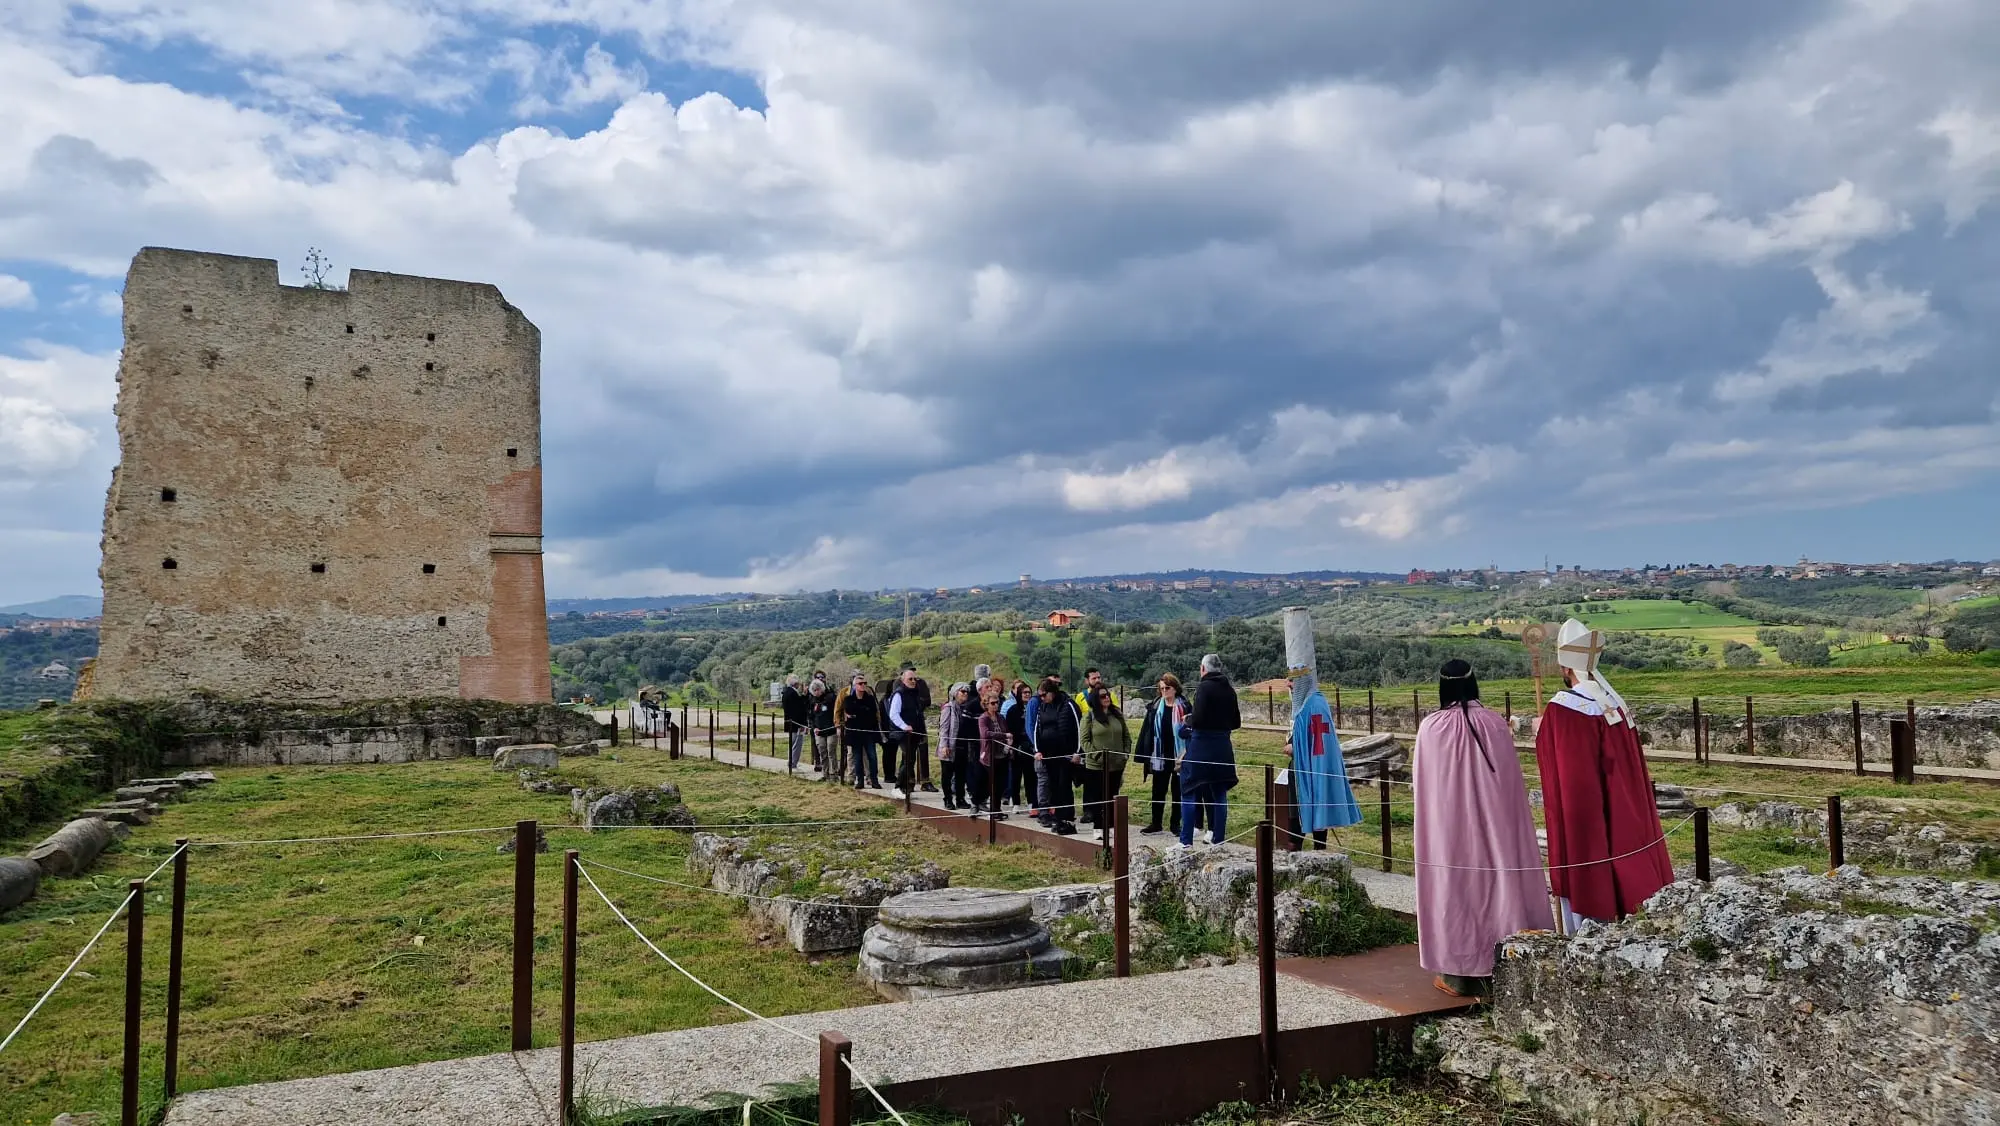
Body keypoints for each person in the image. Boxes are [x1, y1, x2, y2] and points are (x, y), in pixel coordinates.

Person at [1414, 659, 1552, 997]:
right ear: (1474, 683)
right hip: (1497, 831)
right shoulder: (1494, 724)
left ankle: (1457, 975)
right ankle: (1511, 964)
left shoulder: (1431, 728)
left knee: (1457, 887)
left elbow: (1423, 787)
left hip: (1450, 832)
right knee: (1502, 882)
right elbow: (1510, 787)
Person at [1536, 619, 1675, 930]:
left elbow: (1569, 775)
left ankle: (1587, 925)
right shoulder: (1614, 704)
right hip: (1626, 811)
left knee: (1589, 857)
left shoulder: (1565, 710)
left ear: (1565, 668)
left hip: (1587, 818)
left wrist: (1541, 730)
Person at [1281, 607, 1361, 846]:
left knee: (1315, 808)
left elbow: (1318, 741)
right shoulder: (1305, 705)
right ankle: (1296, 850)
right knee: (1297, 809)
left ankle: (1316, 852)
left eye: (1293, 681)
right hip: (1304, 766)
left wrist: (1295, 749)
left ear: (1302, 682)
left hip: (1314, 766)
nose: (1290, 685)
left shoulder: (1314, 706)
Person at [1176, 653, 1239, 848]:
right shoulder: (1230, 690)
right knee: (1219, 793)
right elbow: (1236, 722)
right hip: (1223, 747)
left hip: (1202, 745)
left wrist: (1189, 720)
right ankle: (1218, 840)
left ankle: (1185, 841)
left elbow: (1200, 718)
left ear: (1203, 669)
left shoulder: (1204, 687)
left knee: (1188, 790)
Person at [1134, 673, 1188, 835]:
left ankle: (1175, 824)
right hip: (1159, 754)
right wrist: (1144, 753)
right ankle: (1156, 823)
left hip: (1179, 754)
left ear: (1175, 688)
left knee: (1178, 790)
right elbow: (1147, 731)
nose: (1164, 691)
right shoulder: (1155, 707)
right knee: (1158, 789)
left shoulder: (1185, 706)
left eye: (1167, 688)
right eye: (1161, 688)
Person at [1033, 676, 1082, 834]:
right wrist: (1037, 750)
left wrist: (1078, 751)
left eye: (1043, 694)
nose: (1041, 698)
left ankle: (1067, 820)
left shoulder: (1068, 705)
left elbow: (1078, 728)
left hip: (1066, 754)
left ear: (1052, 692)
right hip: (1048, 755)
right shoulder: (1043, 707)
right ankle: (1059, 818)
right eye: (1039, 695)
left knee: (1064, 786)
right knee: (1053, 787)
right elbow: (1037, 729)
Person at [1080, 686, 1130, 831]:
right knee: (1097, 797)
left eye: (1107, 695)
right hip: (1096, 766)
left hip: (1117, 764)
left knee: (1113, 795)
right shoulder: (1089, 717)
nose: (1107, 698)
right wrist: (1097, 756)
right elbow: (1084, 741)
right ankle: (1098, 827)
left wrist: (1125, 753)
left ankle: (1111, 825)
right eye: (1102, 696)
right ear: (1095, 699)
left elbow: (1126, 736)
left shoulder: (1117, 715)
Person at [887, 664, 933, 798]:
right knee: (908, 759)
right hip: (903, 733)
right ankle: (897, 787)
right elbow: (893, 714)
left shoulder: (914, 693)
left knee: (909, 760)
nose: (913, 681)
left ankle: (903, 787)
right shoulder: (899, 694)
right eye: (910, 679)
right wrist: (904, 726)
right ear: (903, 680)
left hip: (914, 733)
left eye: (914, 679)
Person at [835, 673, 881, 789]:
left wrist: (858, 713)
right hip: (854, 733)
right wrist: (862, 711)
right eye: (860, 683)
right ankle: (859, 780)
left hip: (868, 732)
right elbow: (848, 710)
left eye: (865, 683)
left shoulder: (869, 698)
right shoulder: (848, 698)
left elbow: (872, 713)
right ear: (855, 685)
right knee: (857, 757)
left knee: (872, 756)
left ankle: (874, 779)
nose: (863, 685)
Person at [937, 682, 977, 809]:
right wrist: (944, 745)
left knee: (961, 774)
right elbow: (944, 728)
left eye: (966, 692)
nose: (965, 694)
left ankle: (960, 799)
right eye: (962, 691)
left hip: (963, 745)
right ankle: (948, 799)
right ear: (955, 693)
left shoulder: (966, 708)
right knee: (947, 775)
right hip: (950, 746)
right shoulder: (948, 708)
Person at [977, 688, 1011, 819]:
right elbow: (985, 734)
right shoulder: (983, 718)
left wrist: (1008, 739)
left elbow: (1006, 731)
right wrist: (1003, 735)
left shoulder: (1001, 717)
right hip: (989, 756)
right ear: (986, 704)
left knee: (1000, 784)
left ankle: (997, 809)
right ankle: (991, 809)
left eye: (997, 702)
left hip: (1002, 754)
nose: (996, 705)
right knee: (992, 784)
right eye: (992, 703)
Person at [1001, 679, 1032, 808]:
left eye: (1029, 692)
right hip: (1017, 746)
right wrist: (1012, 747)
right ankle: (1016, 803)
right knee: (1016, 777)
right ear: (1019, 694)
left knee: (1030, 776)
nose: (1027, 694)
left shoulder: (1033, 708)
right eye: (1024, 692)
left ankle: (1031, 802)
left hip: (1030, 746)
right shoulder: (1013, 710)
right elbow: (1009, 729)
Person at [808, 675, 838, 779]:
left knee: (831, 751)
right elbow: (811, 716)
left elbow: (836, 712)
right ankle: (825, 774)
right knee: (822, 753)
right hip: (819, 731)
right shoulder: (813, 700)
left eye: (818, 689)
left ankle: (834, 773)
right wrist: (813, 727)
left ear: (822, 688)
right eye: (814, 690)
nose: (816, 692)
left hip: (831, 730)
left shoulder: (830, 698)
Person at [780, 674, 810, 771]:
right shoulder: (793, 694)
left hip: (790, 722)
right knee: (797, 744)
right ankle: (793, 763)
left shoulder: (786, 693)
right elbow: (800, 708)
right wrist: (805, 696)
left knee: (792, 743)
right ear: (795, 683)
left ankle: (791, 762)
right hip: (797, 723)